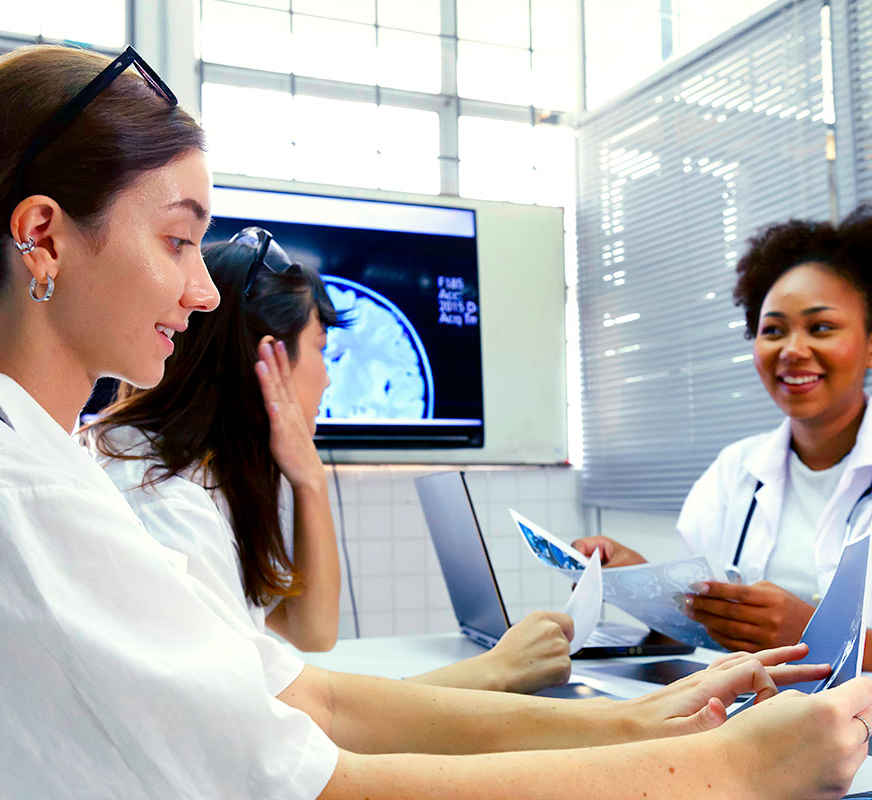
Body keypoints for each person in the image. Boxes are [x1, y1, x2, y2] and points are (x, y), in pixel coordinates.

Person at [0, 43, 872, 800]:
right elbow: (312, 777)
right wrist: (729, 770)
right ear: (44, 236)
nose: (201, 294)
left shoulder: (13, 461)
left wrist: (628, 722)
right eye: (179, 239)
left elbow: (299, 697)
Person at [88, 229, 572, 694]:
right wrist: (496, 672)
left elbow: (311, 630)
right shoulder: (162, 500)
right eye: (323, 350)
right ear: (269, 360)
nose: (327, 379)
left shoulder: (201, 471)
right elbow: (279, 722)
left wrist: (310, 482)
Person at [574, 206, 872, 689]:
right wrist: (642, 586)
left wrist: (807, 628)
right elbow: (699, 636)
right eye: (773, 330)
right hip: (771, 725)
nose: (792, 350)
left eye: (821, 328)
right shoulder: (733, 470)